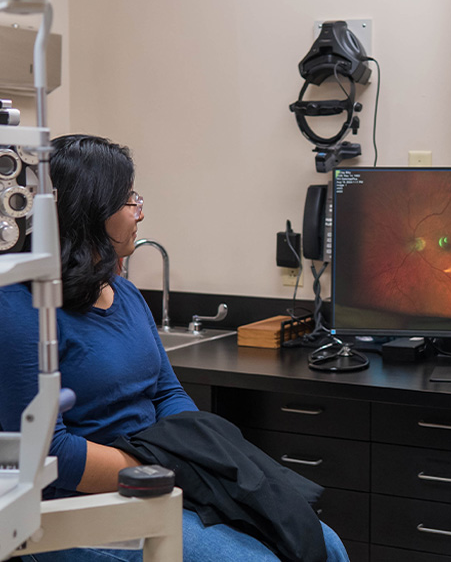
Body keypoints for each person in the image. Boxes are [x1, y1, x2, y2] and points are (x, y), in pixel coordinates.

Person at [0, 135, 349, 562]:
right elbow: (50, 452)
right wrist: (165, 470)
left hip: (157, 475)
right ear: (92, 210)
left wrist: (196, 461)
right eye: (129, 200)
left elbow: (166, 392)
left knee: (324, 544)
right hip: (73, 504)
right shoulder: (18, 308)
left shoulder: (123, 294)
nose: (139, 212)